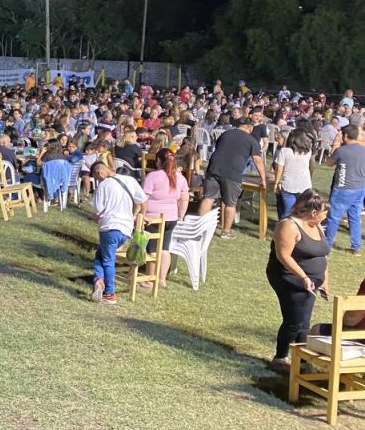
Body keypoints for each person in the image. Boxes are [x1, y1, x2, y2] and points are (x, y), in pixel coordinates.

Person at [266, 189, 331, 372]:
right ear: (313, 212)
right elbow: (283, 255)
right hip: (289, 278)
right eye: (324, 214)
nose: (326, 218)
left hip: (311, 281)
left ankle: (302, 361)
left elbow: (322, 254)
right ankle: (280, 358)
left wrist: (324, 279)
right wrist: (303, 277)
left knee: (304, 322)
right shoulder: (288, 225)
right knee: (294, 320)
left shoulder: (316, 226)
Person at [197, 116, 266, 240]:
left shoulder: (226, 134)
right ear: (250, 127)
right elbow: (257, 160)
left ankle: (199, 227)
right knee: (230, 203)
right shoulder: (251, 140)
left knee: (208, 198)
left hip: (214, 168)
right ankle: (226, 232)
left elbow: (218, 148)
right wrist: (263, 179)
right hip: (232, 173)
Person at [90, 161, 148, 305]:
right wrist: (139, 216)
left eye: (97, 178)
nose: (98, 180)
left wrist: (94, 217)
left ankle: (109, 293)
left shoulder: (104, 185)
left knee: (108, 260)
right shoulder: (130, 180)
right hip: (126, 229)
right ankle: (99, 280)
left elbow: (98, 209)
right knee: (101, 254)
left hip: (109, 227)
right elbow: (143, 200)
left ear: (99, 172)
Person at [141, 149, 189, 289]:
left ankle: (150, 279)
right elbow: (184, 198)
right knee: (165, 248)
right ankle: (162, 279)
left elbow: (144, 198)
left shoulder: (153, 176)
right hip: (171, 218)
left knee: (152, 248)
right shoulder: (180, 177)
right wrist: (180, 215)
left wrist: (142, 214)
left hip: (153, 218)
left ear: (158, 161)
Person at [322, 123, 365, 255]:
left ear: (345, 136)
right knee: (354, 217)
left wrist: (335, 147)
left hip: (343, 188)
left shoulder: (341, 151)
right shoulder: (363, 150)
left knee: (334, 217)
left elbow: (329, 163)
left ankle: (327, 245)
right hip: (359, 188)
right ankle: (356, 247)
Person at [273, 127, 313, 221]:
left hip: (289, 184)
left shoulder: (284, 151)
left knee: (288, 212)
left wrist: (276, 182)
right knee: (302, 212)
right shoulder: (308, 151)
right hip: (305, 184)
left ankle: (286, 227)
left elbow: (279, 169)